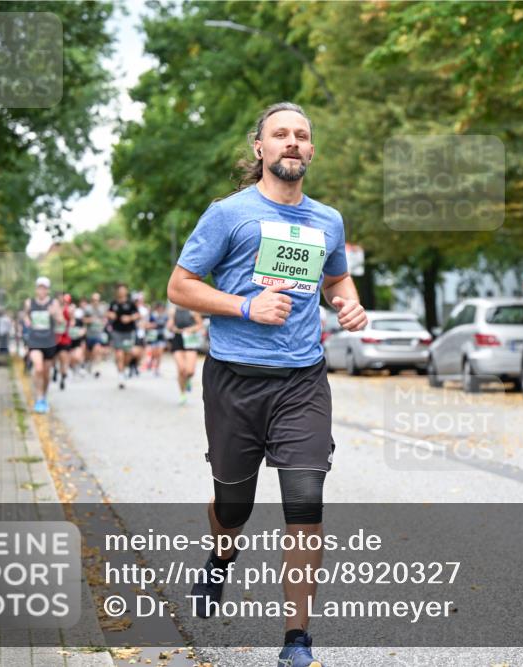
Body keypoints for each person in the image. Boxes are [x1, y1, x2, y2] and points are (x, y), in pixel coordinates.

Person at [167, 101, 366, 667]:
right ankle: (220, 558)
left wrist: (348, 304)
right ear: (260, 148)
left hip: (302, 380)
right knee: (233, 503)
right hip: (235, 378)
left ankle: (296, 639)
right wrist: (245, 307)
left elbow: (337, 279)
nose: (292, 142)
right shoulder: (228, 215)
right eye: (280, 134)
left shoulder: (328, 220)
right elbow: (180, 286)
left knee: (305, 499)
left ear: (311, 150)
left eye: (301, 135)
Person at [22, 277, 64, 414]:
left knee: (46, 372)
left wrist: (54, 314)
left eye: (44, 288)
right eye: (39, 287)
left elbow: (61, 321)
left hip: (49, 342)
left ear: (48, 290)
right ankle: (39, 397)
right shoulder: (29, 303)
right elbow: (25, 316)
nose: (41, 290)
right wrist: (27, 321)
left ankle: (44, 396)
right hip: (34, 341)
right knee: (38, 368)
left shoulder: (54, 303)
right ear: (36, 289)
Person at [167, 303, 204, 404]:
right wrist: (172, 323)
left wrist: (191, 329)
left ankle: (187, 380)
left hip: (190, 340)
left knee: (190, 371)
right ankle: (182, 394)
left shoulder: (193, 310)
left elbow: (200, 325)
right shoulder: (173, 311)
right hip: (177, 339)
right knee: (181, 369)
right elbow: (169, 327)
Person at [107, 283, 139, 389]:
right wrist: (111, 315)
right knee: (119, 354)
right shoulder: (113, 303)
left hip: (129, 332)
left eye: (123, 290)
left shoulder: (131, 303)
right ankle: (121, 376)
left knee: (128, 353)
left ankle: (123, 369)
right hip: (117, 332)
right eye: (119, 290)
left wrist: (129, 318)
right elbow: (108, 313)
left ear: (126, 291)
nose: (121, 292)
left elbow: (138, 315)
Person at [84, 292, 109, 378]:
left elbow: (106, 318)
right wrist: (91, 320)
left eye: (97, 300)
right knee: (89, 353)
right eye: (94, 300)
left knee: (97, 350)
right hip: (89, 334)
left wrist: (103, 322)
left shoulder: (102, 309)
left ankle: (97, 368)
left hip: (98, 334)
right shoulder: (88, 309)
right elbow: (83, 320)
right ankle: (89, 364)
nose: (95, 301)